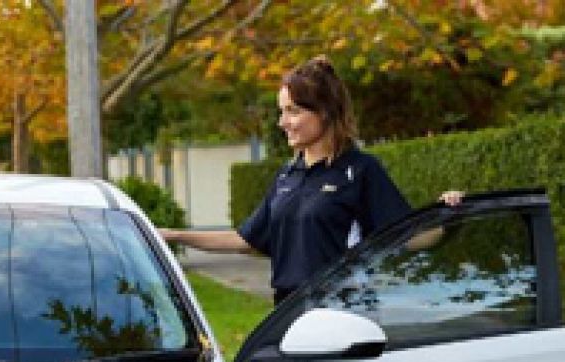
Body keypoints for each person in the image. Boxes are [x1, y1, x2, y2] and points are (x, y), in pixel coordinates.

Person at [160, 56, 462, 305]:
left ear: (326, 112)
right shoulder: (286, 176)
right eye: (282, 111)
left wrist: (445, 215)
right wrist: (174, 236)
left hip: (343, 312)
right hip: (287, 314)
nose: (282, 122)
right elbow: (245, 239)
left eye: (292, 111)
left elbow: (408, 236)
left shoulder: (359, 170)